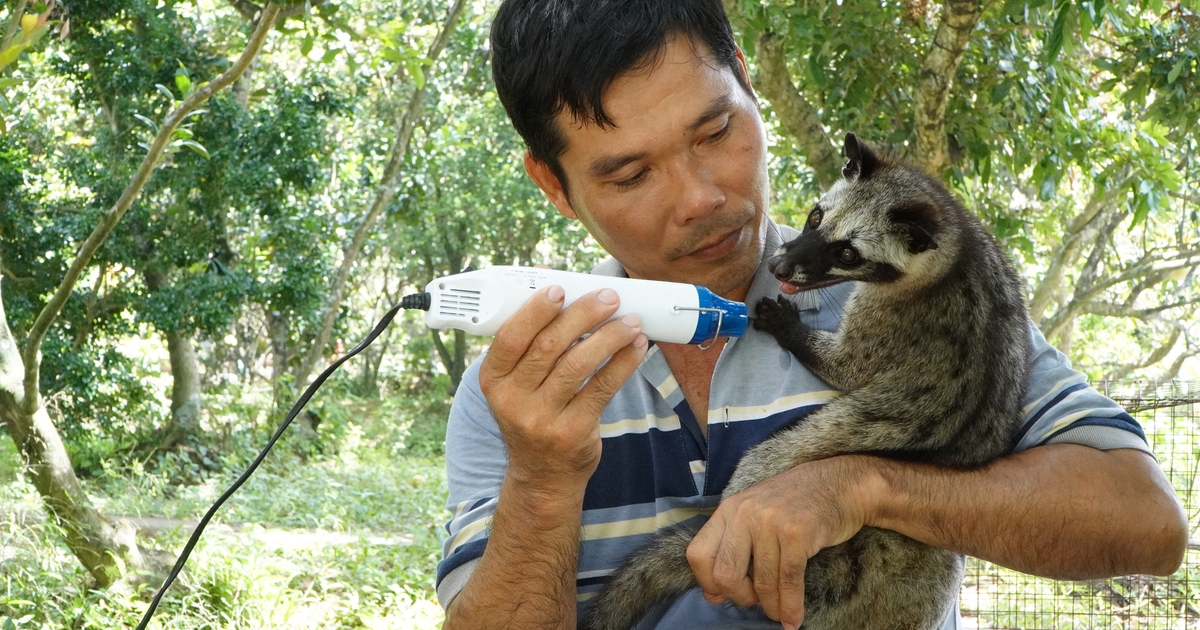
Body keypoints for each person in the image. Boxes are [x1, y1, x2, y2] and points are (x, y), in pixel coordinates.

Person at [436, 1, 1189, 628]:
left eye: (715, 132)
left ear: (748, 83)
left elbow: (1146, 525)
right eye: (631, 174)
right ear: (554, 185)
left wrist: (864, 489)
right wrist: (542, 483)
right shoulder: (517, 394)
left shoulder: (914, 300)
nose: (701, 198)